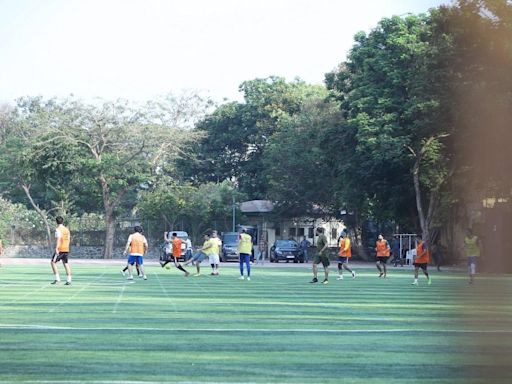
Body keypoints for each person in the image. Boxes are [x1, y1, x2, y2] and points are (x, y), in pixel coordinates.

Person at [50, 216, 72, 285]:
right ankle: (69, 280)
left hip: (60, 249)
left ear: (56, 222)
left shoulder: (58, 229)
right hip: (66, 248)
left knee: (53, 262)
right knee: (66, 263)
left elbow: (58, 239)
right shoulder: (67, 230)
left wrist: (57, 248)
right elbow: (68, 239)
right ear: (63, 221)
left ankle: (57, 279)